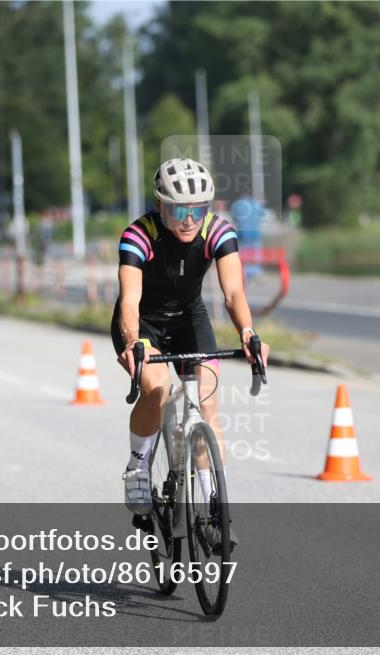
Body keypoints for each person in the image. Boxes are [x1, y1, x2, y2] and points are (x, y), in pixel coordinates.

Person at [112, 158, 270, 520]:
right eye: (180, 209)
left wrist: (247, 332)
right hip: (144, 324)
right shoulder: (138, 235)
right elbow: (130, 298)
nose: (189, 218)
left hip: (188, 318)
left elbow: (233, 293)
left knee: (208, 405)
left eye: (199, 209)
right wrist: (133, 341)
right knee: (157, 389)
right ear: (160, 206)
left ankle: (214, 501)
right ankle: (138, 467)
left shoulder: (219, 232)